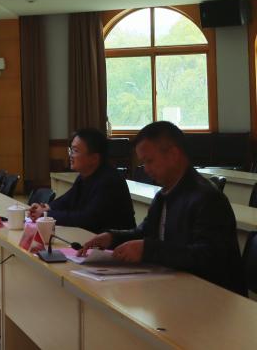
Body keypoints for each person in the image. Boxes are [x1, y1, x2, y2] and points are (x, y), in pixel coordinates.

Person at [80, 121, 244, 294]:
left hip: (213, 295)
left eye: (149, 161)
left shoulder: (207, 198)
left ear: (173, 154)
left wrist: (148, 249)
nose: (146, 169)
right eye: (143, 162)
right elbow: (145, 233)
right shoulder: (163, 195)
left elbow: (207, 257)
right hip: (177, 287)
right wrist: (112, 238)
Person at [28, 128, 135, 232]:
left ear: (94, 158)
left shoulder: (109, 181)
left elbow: (86, 219)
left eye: (75, 151)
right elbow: (66, 200)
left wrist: (45, 215)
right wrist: (46, 208)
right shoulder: (84, 175)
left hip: (117, 242)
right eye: (71, 150)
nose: (70, 155)